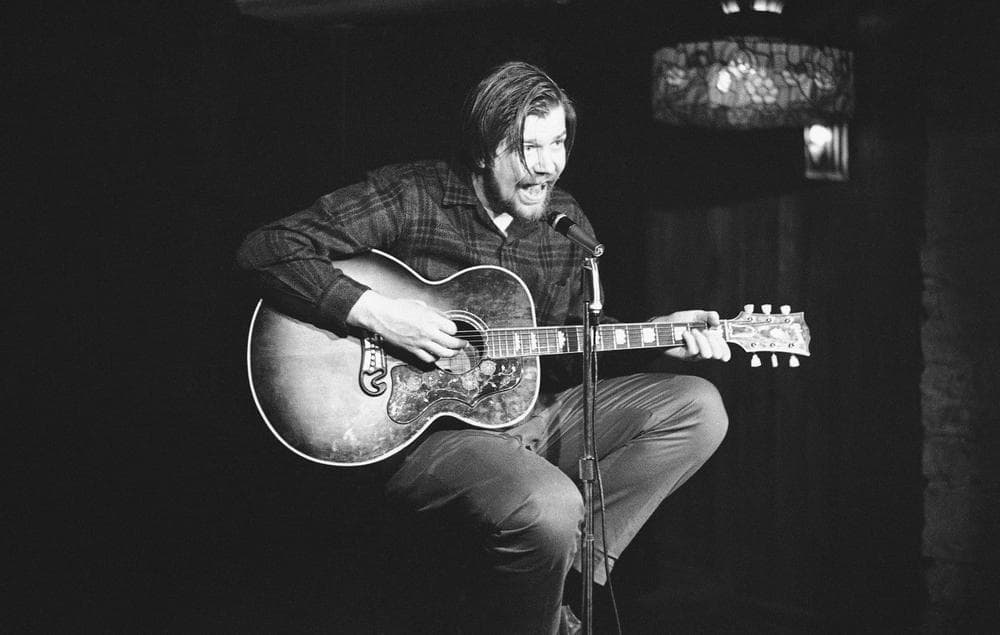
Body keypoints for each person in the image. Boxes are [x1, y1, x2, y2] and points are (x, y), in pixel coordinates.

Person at [237, 60, 730, 634]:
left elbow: (568, 342)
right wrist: (382, 316)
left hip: (530, 413)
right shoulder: (411, 194)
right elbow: (267, 249)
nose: (547, 166)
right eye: (527, 148)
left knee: (698, 405)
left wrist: (661, 338)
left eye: (559, 143)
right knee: (549, 503)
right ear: (481, 149)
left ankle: (568, 582)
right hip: (423, 431)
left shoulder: (564, 223)